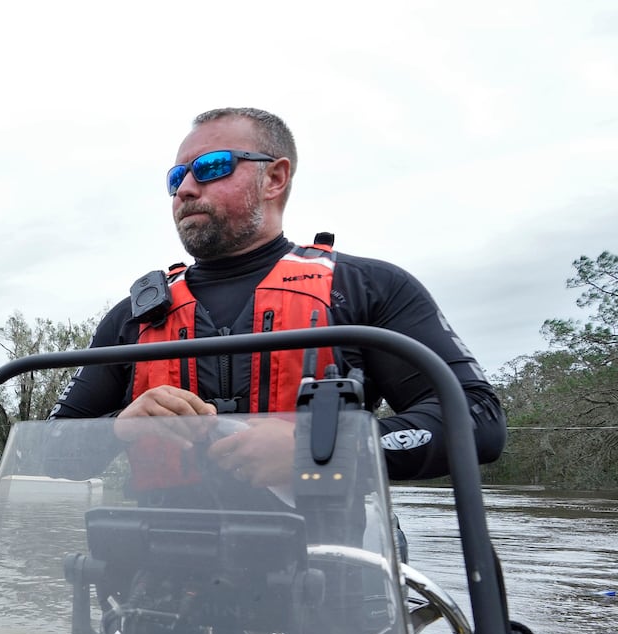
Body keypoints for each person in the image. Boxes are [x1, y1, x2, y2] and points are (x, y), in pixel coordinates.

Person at [51, 107, 505, 487]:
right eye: (176, 177)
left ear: (275, 178)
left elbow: (478, 420)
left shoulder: (367, 288)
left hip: (332, 570)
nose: (186, 189)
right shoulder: (133, 318)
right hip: (159, 574)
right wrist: (117, 428)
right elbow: (47, 453)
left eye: (212, 167)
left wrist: (322, 451)